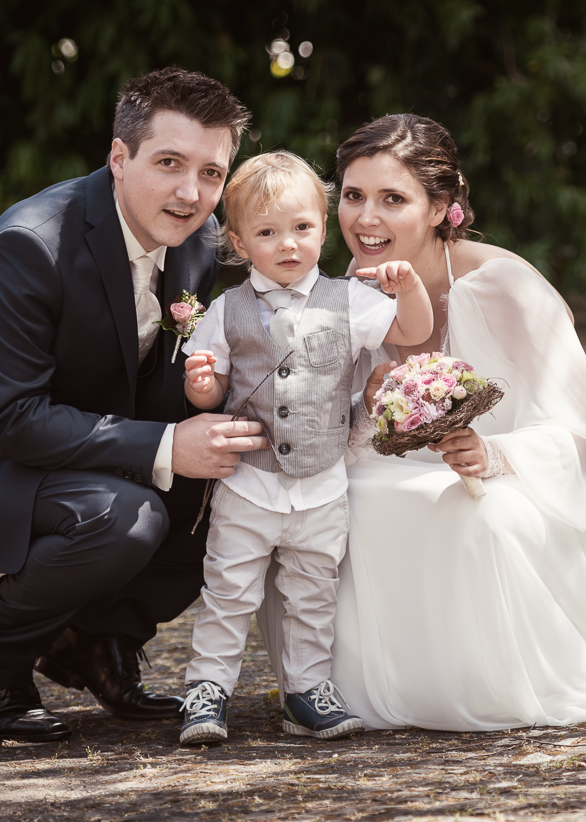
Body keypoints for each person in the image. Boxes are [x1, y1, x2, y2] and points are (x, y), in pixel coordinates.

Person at [264, 114, 586, 731]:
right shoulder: (345, 295)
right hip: (406, 462)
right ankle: (337, 688)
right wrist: (364, 406)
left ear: (441, 207)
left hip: (557, 462)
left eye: (393, 199)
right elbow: (341, 436)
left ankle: (477, 684)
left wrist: (494, 454)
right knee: (317, 503)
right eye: (353, 196)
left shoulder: (503, 285)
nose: (366, 219)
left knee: (483, 512)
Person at [0, 68, 269, 743]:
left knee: (241, 499)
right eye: (169, 163)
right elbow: (13, 420)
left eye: (210, 172)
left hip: (84, 447)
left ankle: (92, 641)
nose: (190, 192)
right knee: (126, 517)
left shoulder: (195, 242)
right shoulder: (28, 246)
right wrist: (170, 447)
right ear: (120, 158)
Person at [174, 151, 431, 744]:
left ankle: (306, 690)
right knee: (228, 592)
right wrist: (202, 383)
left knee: (312, 594)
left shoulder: (351, 300)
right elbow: (209, 395)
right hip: (249, 486)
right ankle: (206, 690)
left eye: (302, 228)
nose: (288, 245)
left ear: (321, 224)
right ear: (239, 242)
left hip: (321, 486)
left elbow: (412, 333)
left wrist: (408, 286)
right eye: (267, 233)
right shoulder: (226, 309)